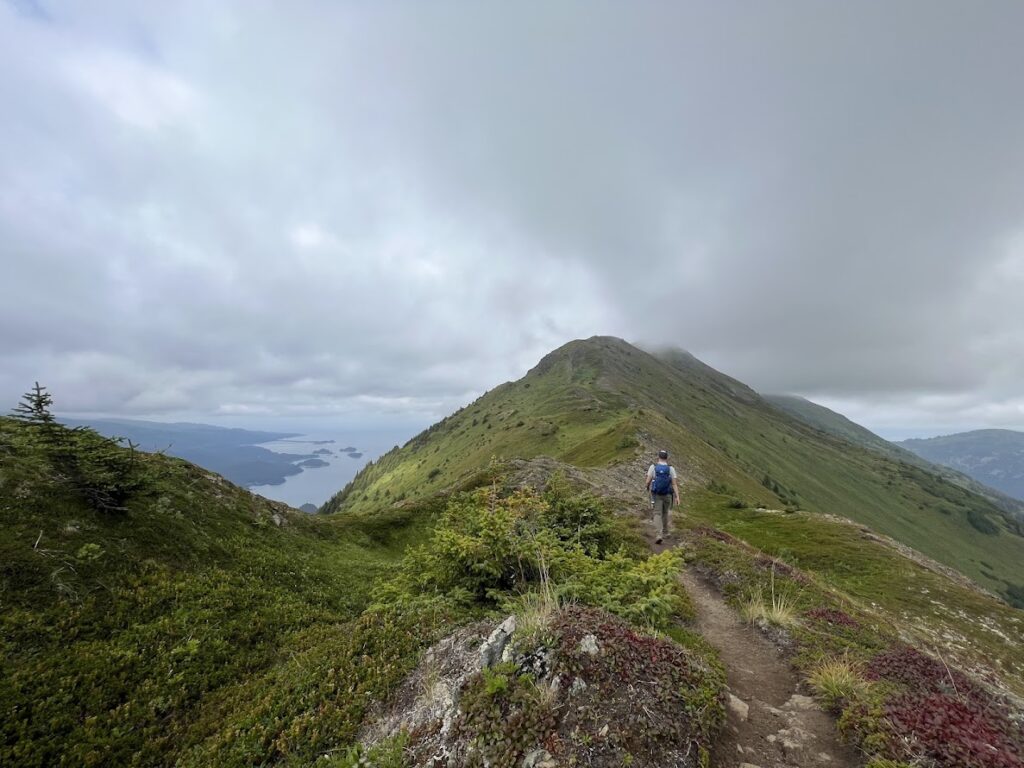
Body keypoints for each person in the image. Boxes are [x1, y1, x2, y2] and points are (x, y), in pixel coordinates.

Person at [645, 449, 680, 544]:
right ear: (667, 457)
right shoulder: (670, 469)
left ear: (658, 457)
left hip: (656, 494)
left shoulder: (653, 467)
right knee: (665, 513)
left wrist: (648, 487)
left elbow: (647, 481)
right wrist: (677, 496)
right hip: (667, 495)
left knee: (657, 513)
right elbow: (674, 484)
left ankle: (658, 534)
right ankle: (665, 532)